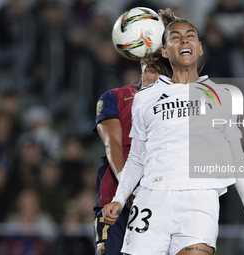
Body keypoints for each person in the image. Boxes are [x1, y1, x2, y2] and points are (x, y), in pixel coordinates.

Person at [102, 8, 244, 255]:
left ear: (200, 48)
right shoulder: (145, 98)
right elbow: (137, 158)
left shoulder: (221, 96)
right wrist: (119, 197)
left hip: (200, 202)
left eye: (190, 36)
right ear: (164, 50)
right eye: (175, 37)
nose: (184, 40)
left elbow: (237, 161)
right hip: (152, 199)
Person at [93, 50, 172, 255]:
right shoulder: (115, 98)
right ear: (142, 67)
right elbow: (112, 144)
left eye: (162, 72)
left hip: (158, 201)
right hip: (114, 198)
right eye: (152, 70)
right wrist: (126, 188)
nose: (155, 78)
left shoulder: (177, 105)